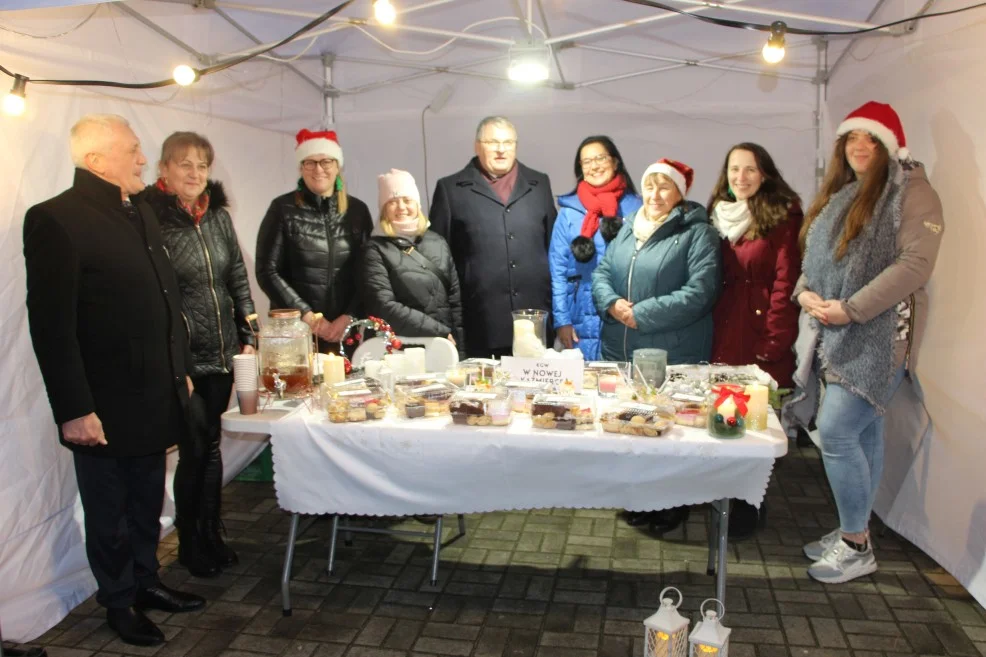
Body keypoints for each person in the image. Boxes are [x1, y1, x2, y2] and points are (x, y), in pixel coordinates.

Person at [23, 114, 205, 647]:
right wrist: (73, 409)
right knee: (111, 512)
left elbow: (166, 299)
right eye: (133, 150)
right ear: (97, 160)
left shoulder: (141, 213)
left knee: (148, 499)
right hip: (103, 402)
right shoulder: (55, 219)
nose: (143, 159)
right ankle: (119, 601)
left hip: (154, 390)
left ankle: (147, 582)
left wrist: (180, 373)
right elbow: (51, 326)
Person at [786, 102, 943, 583]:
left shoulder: (913, 193)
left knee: (835, 432)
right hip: (838, 330)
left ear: (891, 146)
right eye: (852, 137)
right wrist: (805, 292)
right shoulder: (844, 194)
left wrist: (851, 309)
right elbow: (815, 257)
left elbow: (916, 264)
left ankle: (856, 546)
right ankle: (856, 531)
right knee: (864, 433)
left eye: (871, 139)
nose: (860, 146)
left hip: (879, 336)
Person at [142, 131, 255, 577]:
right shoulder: (150, 217)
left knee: (209, 447)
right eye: (184, 164)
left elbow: (236, 277)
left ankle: (210, 532)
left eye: (202, 165)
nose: (195, 173)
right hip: (184, 357)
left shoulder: (217, 217)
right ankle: (190, 542)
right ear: (164, 169)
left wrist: (249, 329)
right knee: (193, 448)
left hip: (223, 350)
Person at [592, 158, 721, 534]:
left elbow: (700, 293)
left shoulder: (697, 233)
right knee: (633, 425)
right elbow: (602, 272)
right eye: (650, 185)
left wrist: (642, 314)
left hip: (671, 350)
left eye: (665, 186)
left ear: (681, 193)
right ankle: (640, 497)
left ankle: (672, 503)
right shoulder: (630, 228)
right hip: (622, 348)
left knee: (669, 432)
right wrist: (612, 303)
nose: (655, 194)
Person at [707, 143, 803, 539]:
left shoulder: (783, 215)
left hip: (760, 331)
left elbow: (786, 282)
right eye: (734, 169)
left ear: (765, 173)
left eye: (750, 170)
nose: (741, 177)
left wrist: (774, 340)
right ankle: (722, 501)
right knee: (725, 419)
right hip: (725, 327)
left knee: (754, 426)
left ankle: (748, 507)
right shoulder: (717, 214)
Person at [431, 116, 557, 357]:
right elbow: (438, 262)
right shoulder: (450, 189)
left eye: (508, 142)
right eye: (492, 142)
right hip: (479, 322)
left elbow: (553, 247)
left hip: (535, 320)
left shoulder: (539, 184)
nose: (501, 149)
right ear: (477, 146)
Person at [256, 129, 373, 352]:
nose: (318, 169)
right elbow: (267, 270)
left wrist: (349, 316)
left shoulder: (358, 211)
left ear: (337, 166)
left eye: (326, 162)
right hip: (295, 334)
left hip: (344, 332)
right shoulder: (282, 209)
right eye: (310, 162)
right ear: (301, 168)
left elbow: (368, 271)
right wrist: (307, 316)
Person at [549, 136, 642, 359]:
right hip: (580, 312)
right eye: (587, 161)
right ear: (580, 168)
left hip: (625, 310)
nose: (594, 166)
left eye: (600, 158)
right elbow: (558, 271)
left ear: (615, 162)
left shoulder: (638, 208)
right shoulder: (569, 212)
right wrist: (562, 320)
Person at [362, 169, 464, 353]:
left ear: (417, 205)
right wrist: (439, 330)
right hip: (399, 350)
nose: (401, 207)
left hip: (442, 348)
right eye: (392, 202)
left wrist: (459, 352)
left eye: (407, 200)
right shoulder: (374, 249)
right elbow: (383, 306)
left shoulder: (438, 242)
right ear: (384, 209)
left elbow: (455, 303)